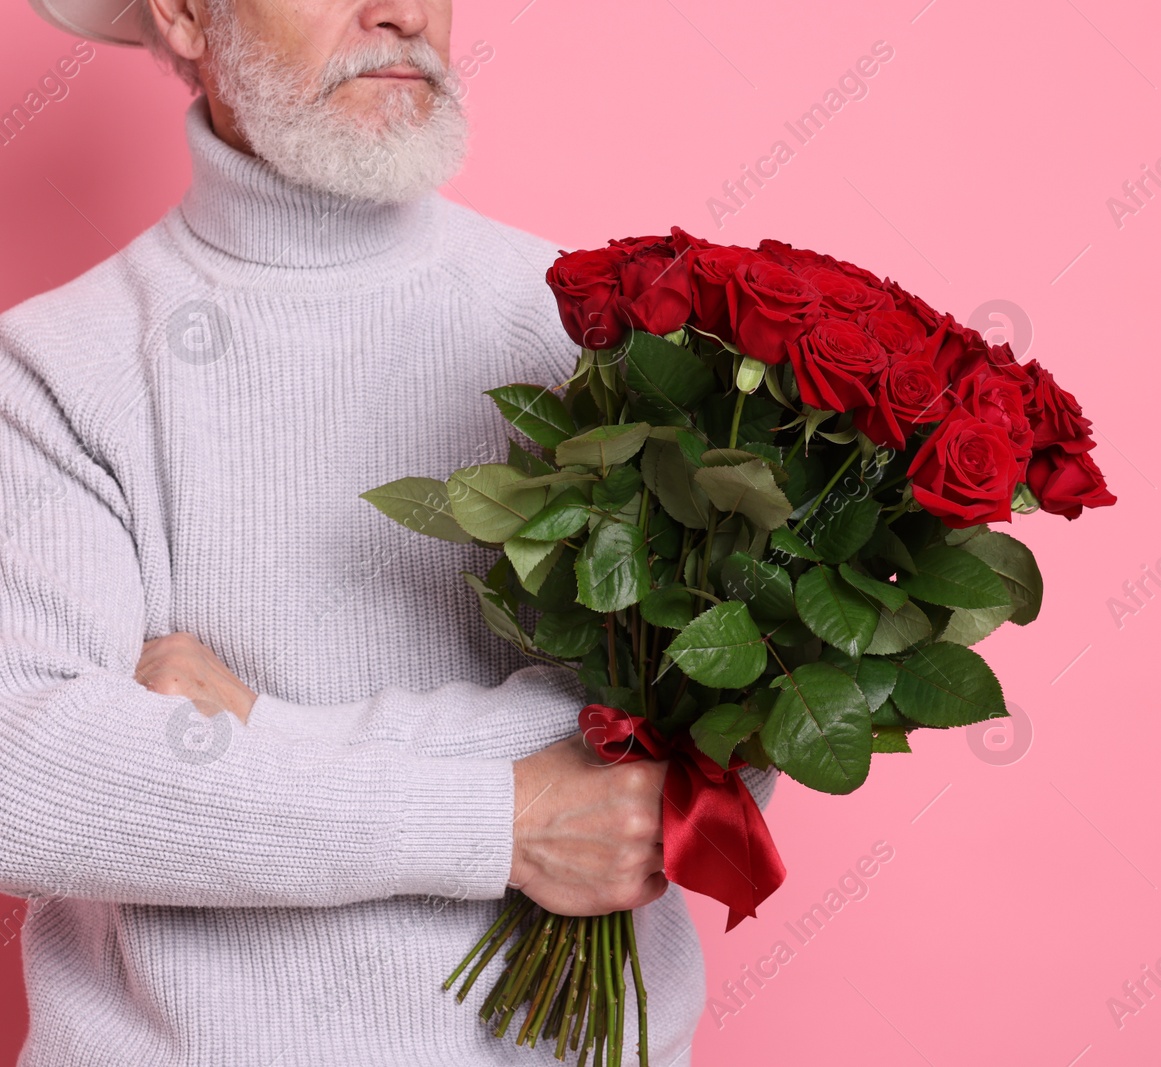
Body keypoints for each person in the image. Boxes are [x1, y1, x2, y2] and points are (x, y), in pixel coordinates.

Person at [2, 0, 774, 1062]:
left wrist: (259, 731)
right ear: (184, 13)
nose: (402, 11)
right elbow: (30, 778)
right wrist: (495, 816)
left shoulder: (593, 334)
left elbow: (713, 749)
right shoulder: (51, 369)